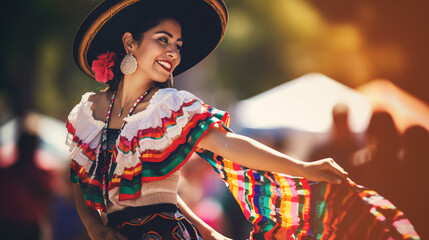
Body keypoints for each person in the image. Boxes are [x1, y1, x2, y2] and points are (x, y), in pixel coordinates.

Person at [67, 0, 420, 239]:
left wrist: (305, 168)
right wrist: (98, 232)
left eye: (177, 44)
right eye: (163, 40)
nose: (173, 52)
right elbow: (80, 187)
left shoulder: (170, 107)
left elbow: (228, 144)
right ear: (130, 42)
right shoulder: (88, 114)